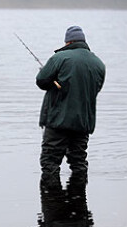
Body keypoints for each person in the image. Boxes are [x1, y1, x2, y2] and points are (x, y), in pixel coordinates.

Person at [36, 25, 106, 185]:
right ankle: (79, 202)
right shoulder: (99, 63)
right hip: (83, 122)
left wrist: (50, 77)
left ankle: (52, 202)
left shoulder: (59, 58)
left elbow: (41, 81)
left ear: (68, 42)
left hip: (58, 121)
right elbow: (97, 89)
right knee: (79, 161)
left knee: (50, 162)